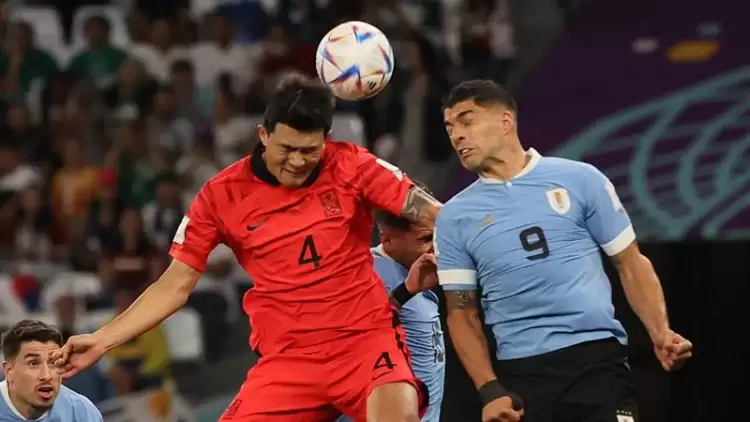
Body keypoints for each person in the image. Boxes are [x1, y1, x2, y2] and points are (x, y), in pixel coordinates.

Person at [53, 75, 442, 422]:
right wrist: (102, 340)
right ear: (263, 135)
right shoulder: (220, 196)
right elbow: (173, 285)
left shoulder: (352, 164)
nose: (297, 161)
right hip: (288, 360)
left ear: (326, 139)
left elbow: (433, 213)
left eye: (309, 150)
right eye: (286, 148)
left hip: (365, 343)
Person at [435, 80, 693, 422]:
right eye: (450, 128)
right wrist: (489, 389)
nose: (457, 136)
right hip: (522, 374)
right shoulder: (453, 216)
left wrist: (660, 332)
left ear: (506, 121)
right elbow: (461, 311)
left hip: (598, 362)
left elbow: (629, 262)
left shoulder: (581, 180)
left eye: (467, 121)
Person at [339, 182, 445, 422]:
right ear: (387, 239)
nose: (436, 248)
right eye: (426, 238)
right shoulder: (368, 276)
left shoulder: (419, 272)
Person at [0, 320, 102, 421]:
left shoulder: (81, 413)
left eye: (53, 362)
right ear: (9, 371)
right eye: (33, 363)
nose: (46, 376)